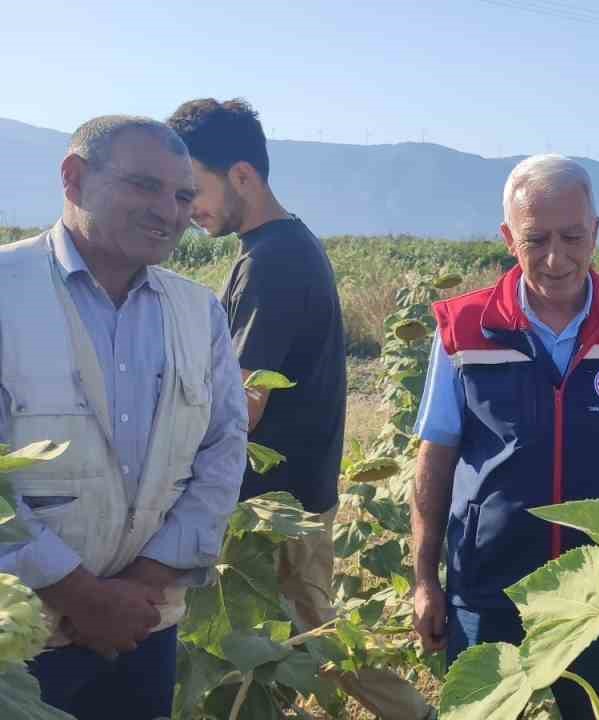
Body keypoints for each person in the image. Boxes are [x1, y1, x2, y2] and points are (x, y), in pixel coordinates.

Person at [167, 98, 433, 720]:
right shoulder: (277, 247)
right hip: (289, 495)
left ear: (241, 176)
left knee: (311, 641)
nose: (187, 208)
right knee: (303, 637)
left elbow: (245, 401)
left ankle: (415, 715)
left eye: (193, 189)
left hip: (278, 504)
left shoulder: (273, 262)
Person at [409, 155, 599, 718]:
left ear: (595, 231)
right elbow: (435, 461)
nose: (555, 257)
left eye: (572, 236)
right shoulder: (463, 329)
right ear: (507, 238)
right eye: (535, 238)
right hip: (489, 585)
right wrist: (425, 579)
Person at [0, 116, 247, 718]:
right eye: (143, 186)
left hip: (145, 626)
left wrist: (143, 583)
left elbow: (222, 450)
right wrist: (77, 592)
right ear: (74, 178)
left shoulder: (198, 312)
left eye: (184, 195)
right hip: (20, 634)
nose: (168, 210)